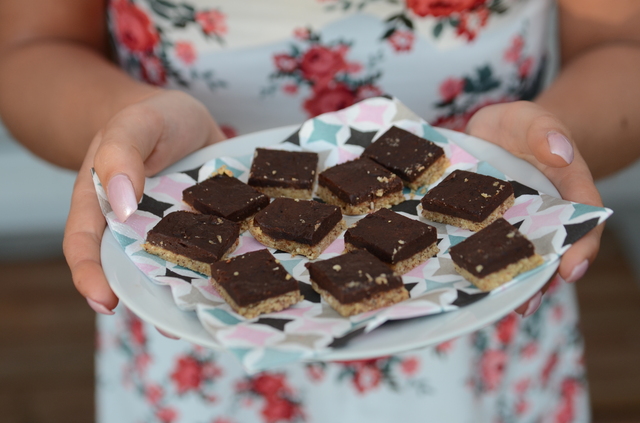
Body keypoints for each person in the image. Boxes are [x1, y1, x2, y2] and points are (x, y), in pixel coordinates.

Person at [1, 0, 639, 421]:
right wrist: (120, 131)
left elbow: (622, 46)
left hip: (486, 303)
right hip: (193, 311)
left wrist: (546, 149)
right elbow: (31, 47)